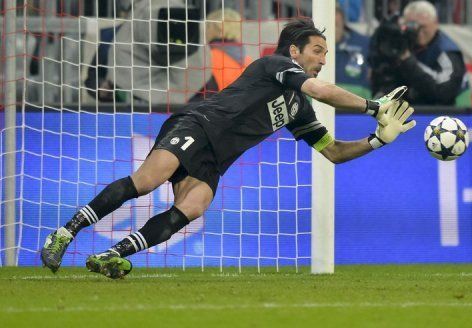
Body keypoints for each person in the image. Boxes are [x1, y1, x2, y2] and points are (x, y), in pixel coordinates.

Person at [40, 18, 416, 279]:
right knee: (147, 181)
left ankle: (111, 255)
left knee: (193, 206)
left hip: (216, 158)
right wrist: (374, 106)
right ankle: (64, 233)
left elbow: (332, 152)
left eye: (325, 55)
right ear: (295, 51)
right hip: (197, 126)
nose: (322, 60)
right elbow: (319, 89)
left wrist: (377, 139)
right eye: (317, 51)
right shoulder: (276, 64)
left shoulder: (299, 108)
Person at [370, 1, 470, 106]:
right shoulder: (398, 43)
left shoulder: (447, 51)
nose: (418, 32)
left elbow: (444, 90)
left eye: (423, 27)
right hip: (402, 112)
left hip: (436, 114)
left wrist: (407, 60)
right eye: (412, 26)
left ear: (436, 23)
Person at [190, 8, 252, 101]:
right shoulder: (249, 61)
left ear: (214, 29)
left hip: (214, 111)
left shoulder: (206, 58)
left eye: (207, 27)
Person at [334, 3, 371, 98]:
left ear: (343, 20)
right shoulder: (307, 43)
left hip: (358, 108)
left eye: (336, 24)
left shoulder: (364, 43)